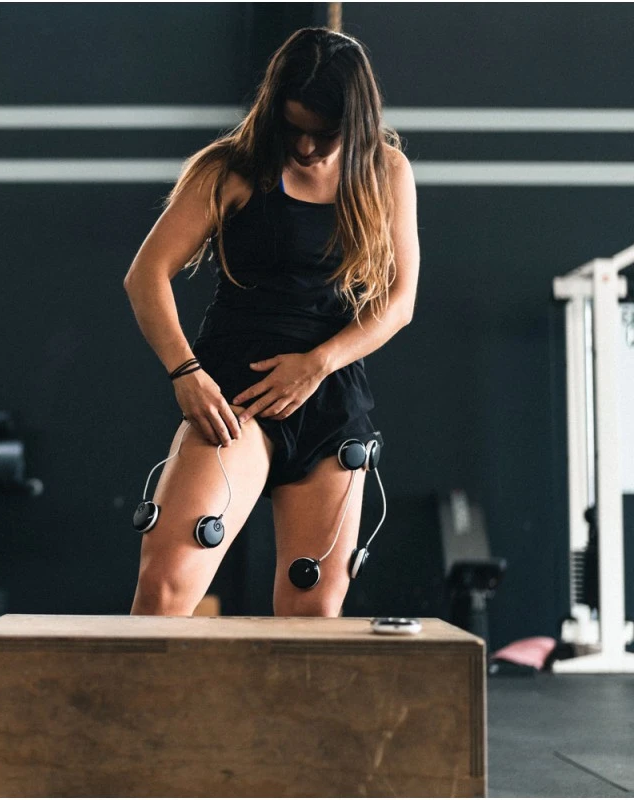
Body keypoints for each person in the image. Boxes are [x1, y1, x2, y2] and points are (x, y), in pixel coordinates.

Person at [123, 26, 419, 617]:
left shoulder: (386, 171)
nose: (306, 148)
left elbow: (399, 301)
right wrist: (185, 372)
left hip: (329, 402)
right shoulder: (231, 169)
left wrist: (316, 364)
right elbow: (145, 275)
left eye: (324, 134)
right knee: (165, 587)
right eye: (293, 128)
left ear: (356, 122)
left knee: (313, 614)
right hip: (235, 395)